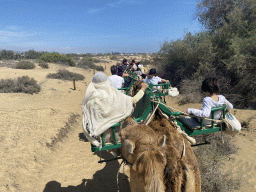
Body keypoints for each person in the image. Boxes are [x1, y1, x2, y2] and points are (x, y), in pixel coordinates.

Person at [82, 72, 148, 147]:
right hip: (114, 134)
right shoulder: (112, 94)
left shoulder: (91, 97)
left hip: (100, 136)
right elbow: (133, 100)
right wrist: (143, 89)